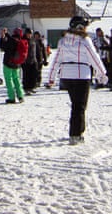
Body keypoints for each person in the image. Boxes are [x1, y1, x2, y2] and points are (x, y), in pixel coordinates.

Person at [46, 16, 108, 144]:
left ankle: (76, 131)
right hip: (81, 75)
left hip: (66, 76)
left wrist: (51, 77)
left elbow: (56, 59)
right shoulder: (85, 41)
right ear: (80, 27)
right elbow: (94, 58)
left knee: (75, 105)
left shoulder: (63, 41)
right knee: (79, 106)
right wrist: (102, 74)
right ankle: (76, 134)